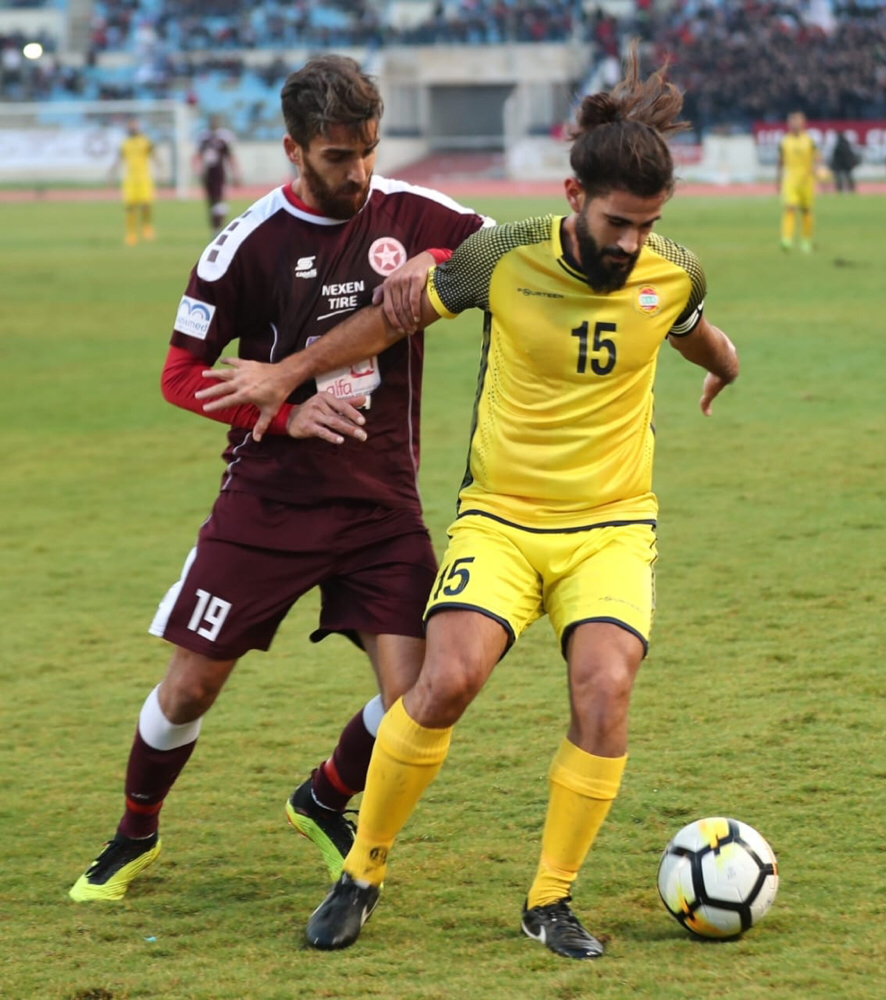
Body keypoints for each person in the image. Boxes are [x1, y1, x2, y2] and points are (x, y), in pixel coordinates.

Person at [197, 44, 739, 960]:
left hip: (612, 526)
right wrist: (285, 374)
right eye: (616, 222)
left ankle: (549, 901)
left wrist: (726, 364)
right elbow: (386, 317)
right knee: (444, 683)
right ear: (573, 196)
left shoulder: (673, 267)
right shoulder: (501, 258)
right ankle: (360, 872)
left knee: (605, 690)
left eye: (646, 226)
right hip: (501, 519)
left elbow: (686, 325)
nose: (629, 244)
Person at [69, 55, 491, 904]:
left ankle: (325, 796)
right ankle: (134, 833)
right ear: (294, 149)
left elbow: (499, 248)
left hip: (381, 505)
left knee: (418, 694)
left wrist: (437, 256)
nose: (360, 172)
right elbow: (180, 373)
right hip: (269, 501)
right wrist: (286, 412)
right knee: (191, 684)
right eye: (339, 157)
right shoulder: (243, 247)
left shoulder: (412, 212)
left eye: (369, 149)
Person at [777, 111, 819, 253]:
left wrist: (817, 169)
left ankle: (806, 241)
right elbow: (780, 161)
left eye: (797, 122)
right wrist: (777, 179)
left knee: (806, 210)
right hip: (791, 180)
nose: (794, 125)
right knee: (790, 208)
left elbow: (817, 157)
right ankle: (786, 239)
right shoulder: (785, 141)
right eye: (791, 122)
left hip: (806, 180)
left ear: (803, 123)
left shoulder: (809, 141)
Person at [193, 115, 242, 233]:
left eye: (216, 121)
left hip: (220, 172)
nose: (214, 123)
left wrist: (235, 173)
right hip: (208, 173)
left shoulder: (223, 138)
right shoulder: (204, 137)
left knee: (219, 200)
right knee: (210, 202)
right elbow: (198, 155)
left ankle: (219, 227)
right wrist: (197, 169)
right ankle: (215, 228)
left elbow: (230, 156)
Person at [112, 119, 156, 245]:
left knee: (146, 204)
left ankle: (147, 227)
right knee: (129, 207)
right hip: (130, 179)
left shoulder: (145, 141)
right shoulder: (125, 143)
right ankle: (130, 234)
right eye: (130, 125)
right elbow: (119, 158)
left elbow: (153, 154)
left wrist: (160, 166)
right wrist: (112, 173)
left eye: (134, 125)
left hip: (143, 178)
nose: (132, 127)